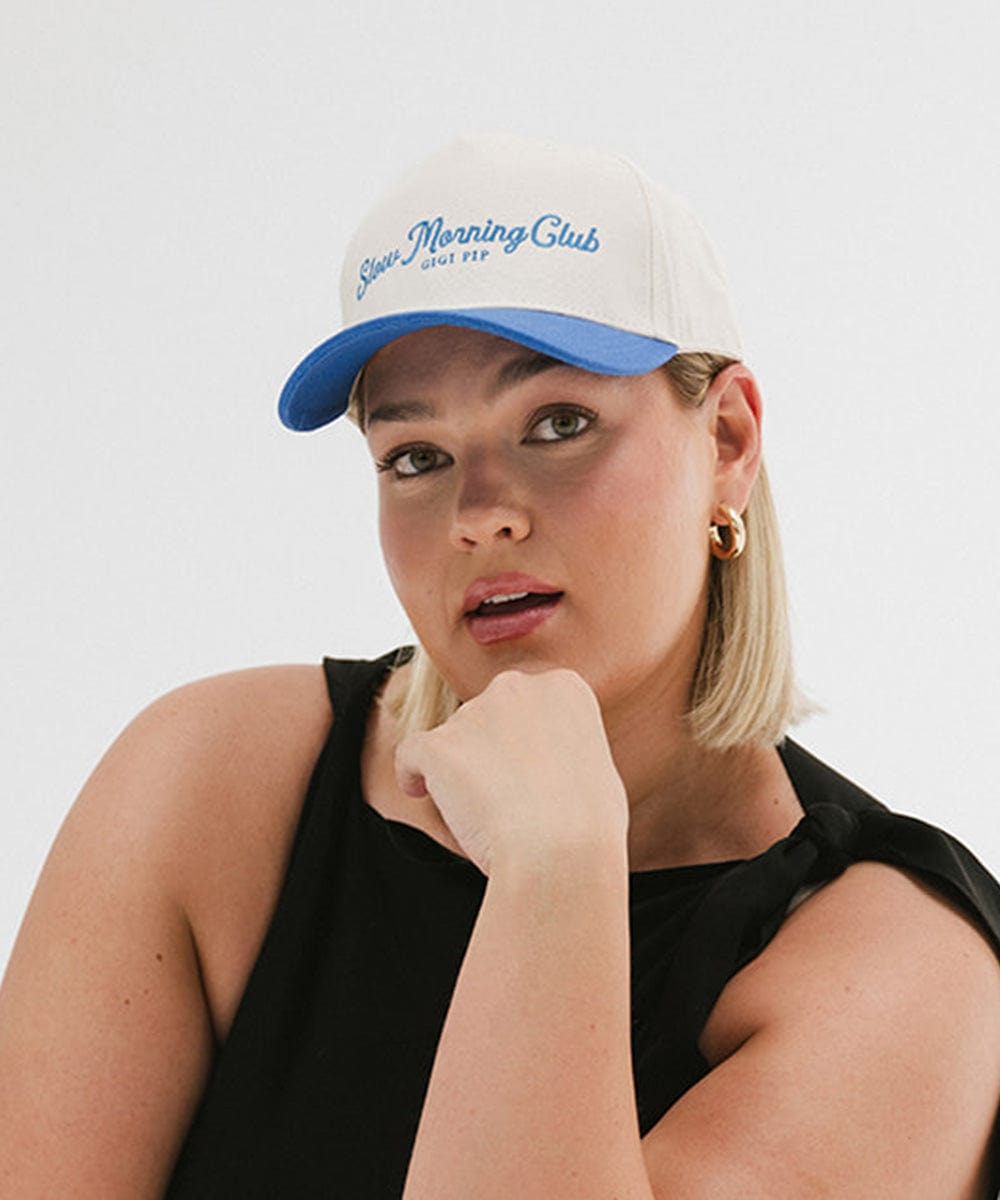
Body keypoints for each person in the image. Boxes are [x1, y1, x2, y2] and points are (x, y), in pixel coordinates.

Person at [1, 133, 998, 1199]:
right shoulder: (217, 785)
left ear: (727, 441)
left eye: (557, 424)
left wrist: (553, 874)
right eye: (415, 455)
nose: (478, 515)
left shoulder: (897, 967)